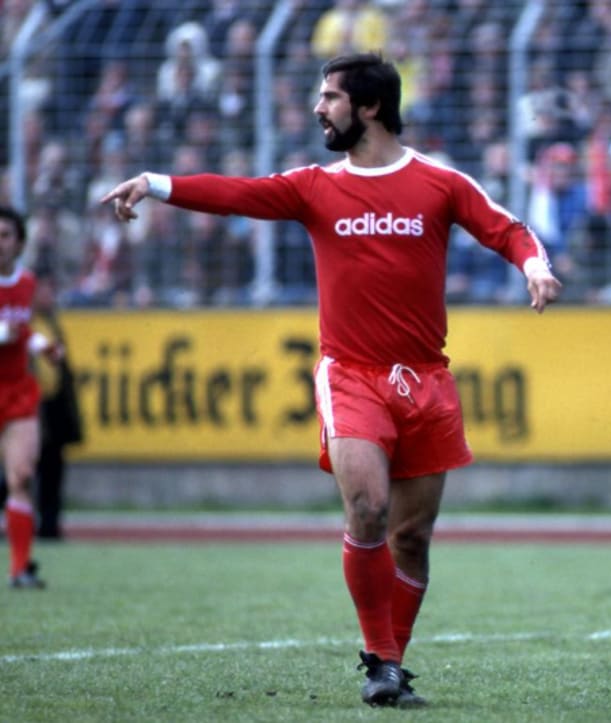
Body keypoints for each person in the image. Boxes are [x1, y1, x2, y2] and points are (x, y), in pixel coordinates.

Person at [101, 53, 561, 707]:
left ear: (369, 107)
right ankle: (380, 660)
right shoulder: (314, 186)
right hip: (350, 375)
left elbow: (506, 228)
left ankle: (392, 664)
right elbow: (237, 194)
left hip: (424, 380)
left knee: (412, 538)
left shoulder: (439, 183)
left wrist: (533, 266)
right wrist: (154, 182)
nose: (318, 108)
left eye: (330, 97)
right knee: (368, 507)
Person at [0, 206, 62, 588]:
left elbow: (22, 330)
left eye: (6, 235)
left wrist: (44, 346)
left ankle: (20, 568)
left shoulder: (27, 282)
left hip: (16, 388)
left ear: (20, 243)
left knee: (21, 475)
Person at [32, 270, 84, 539]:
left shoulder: (51, 323)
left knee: (52, 468)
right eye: (44, 289)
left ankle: (49, 525)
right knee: (21, 469)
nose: (49, 295)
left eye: (51, 290)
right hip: (27, 405)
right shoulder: (24, 324)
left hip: (52, 407)